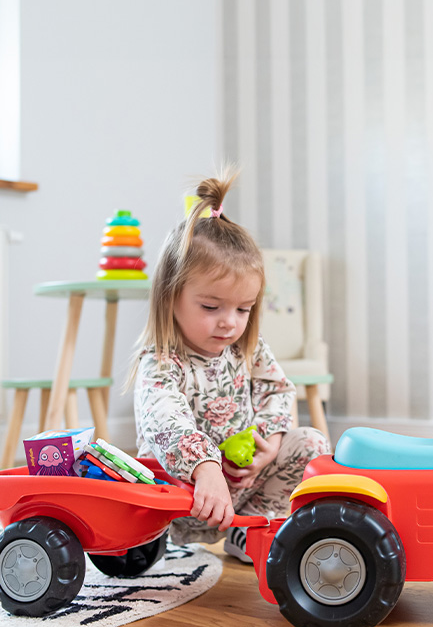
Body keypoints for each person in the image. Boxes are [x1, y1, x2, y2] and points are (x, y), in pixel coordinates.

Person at [130, 170, 330, 562]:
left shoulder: (246, 347)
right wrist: (205, 469)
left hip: (242, 486)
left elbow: (277, 391)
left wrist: (270, 445)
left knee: (313, 443)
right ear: (170, 297)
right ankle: (161, 537)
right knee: (141, 498)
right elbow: (165, 419)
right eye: (211, 307)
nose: (230, 323)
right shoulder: (161, 361)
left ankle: (250, 529)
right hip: (183, 496)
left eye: (243, 309)